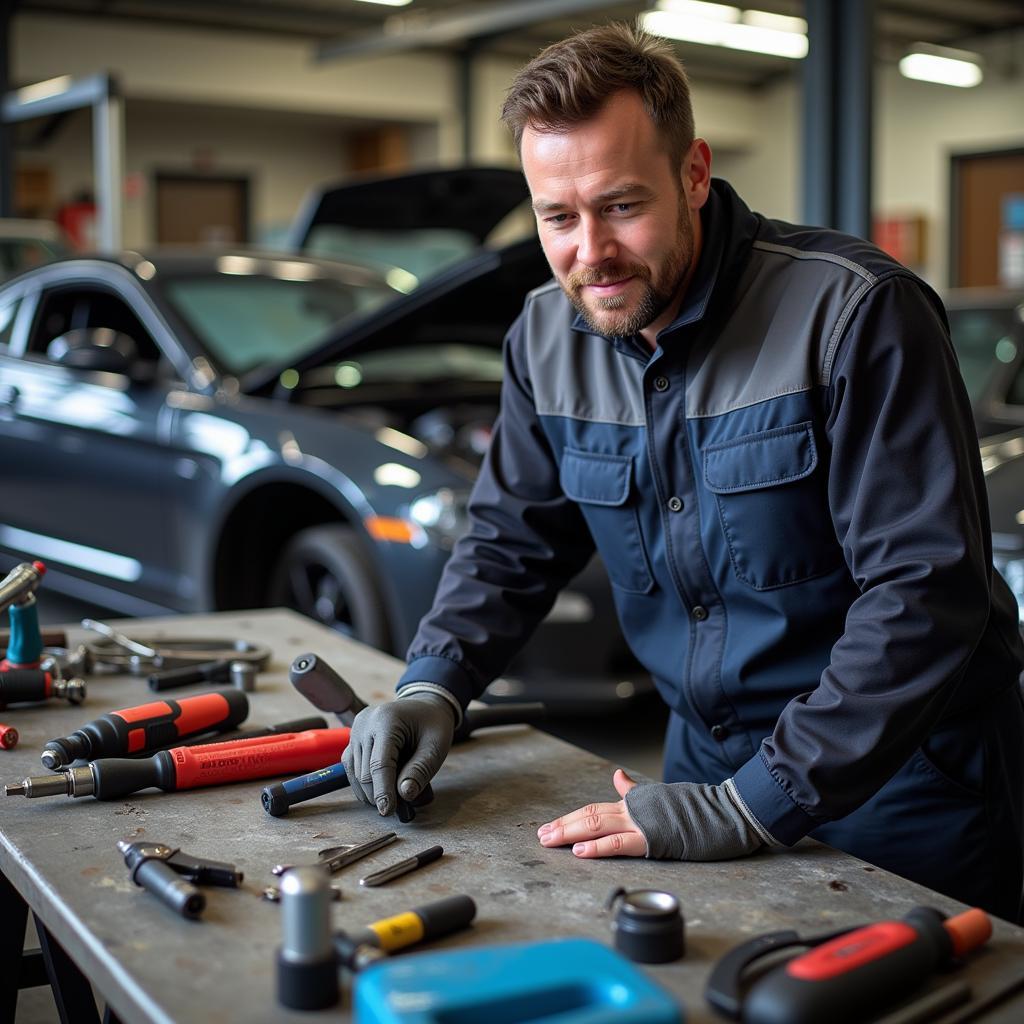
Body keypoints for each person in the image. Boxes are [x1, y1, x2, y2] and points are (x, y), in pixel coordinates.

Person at [341, 23, 1024, 922]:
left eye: (622, 205)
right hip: (698, 769)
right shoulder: (544, 338)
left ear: (694, 174)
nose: (591, 251)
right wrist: (433, 681)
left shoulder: (854, 315)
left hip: (902, 783)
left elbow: (924, 594)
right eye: (558, 217)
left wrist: (756, 802)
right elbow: (509, 542)